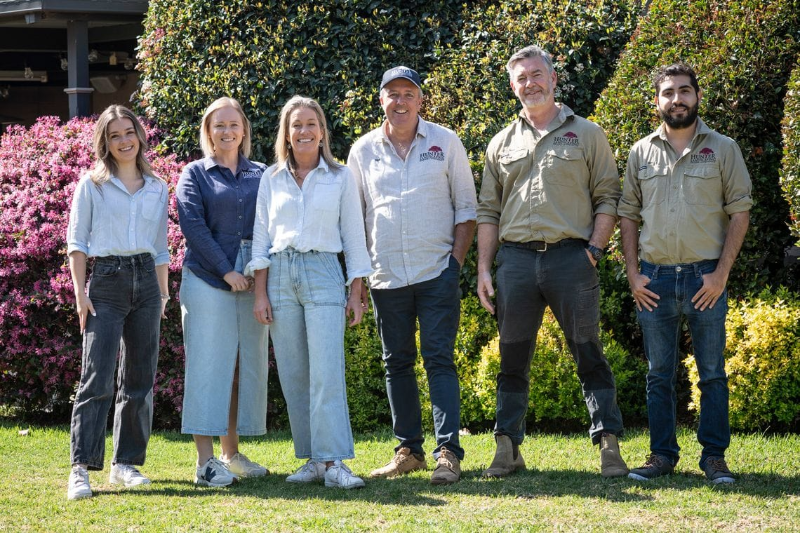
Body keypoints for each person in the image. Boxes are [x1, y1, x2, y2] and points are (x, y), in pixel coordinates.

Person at [476, 45, 629, 478]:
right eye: (521, 78)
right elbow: (488, 210)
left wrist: (594, 250)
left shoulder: (586, 134)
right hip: (516, 263)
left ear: (553, 78)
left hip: (570, 260)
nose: (530, 83)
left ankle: (609, 445)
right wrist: (485, 268)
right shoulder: (500, 143)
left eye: (537, 74)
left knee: (589, 353)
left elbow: (608, 197)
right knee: (512, 358)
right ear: (512, 86)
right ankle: (507, 448)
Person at [619, 63, 751, 484]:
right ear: (657, 101)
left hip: (704, 279)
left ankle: (714, 458)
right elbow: (627, 216)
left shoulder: (723, 148)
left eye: (684, 91)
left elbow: (740, 210)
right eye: (668, 93)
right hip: (654, 281)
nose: (676, 99)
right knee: (659, 374)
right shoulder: (641, 152)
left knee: (711, 373)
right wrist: (633, 275)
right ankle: (661, 456)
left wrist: (720, 275)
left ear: (697, 96)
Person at [347, 66, 477, 485]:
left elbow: (467, 209)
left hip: (436, 272)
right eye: (392, 94)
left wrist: (454, 264)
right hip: (386, 277)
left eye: (408, 93)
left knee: (439, 359)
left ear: (420, 99)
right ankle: (408, 451)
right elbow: (354, 218)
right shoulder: (363, 151)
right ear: (380, 100)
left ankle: (447, 454)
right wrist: (359, 280)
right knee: (396, 363)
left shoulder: (445, 142)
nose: (400, 101)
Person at [246, 95, 372, 490]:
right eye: (296, 124)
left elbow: (354, 235)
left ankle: (335, 462)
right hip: (280, 274)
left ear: (322, 133)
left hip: (322, 272)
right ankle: (314, 461)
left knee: (326, 371)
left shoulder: (340, 176)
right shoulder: (271, 178)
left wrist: (356, 290)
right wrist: (260, 293)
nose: (303, 131)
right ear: (286, 133)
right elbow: (261, 239)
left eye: (311, 124)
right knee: (295, 373)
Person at [66, 105, 169, 500]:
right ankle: (81, 468)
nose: (124, 141)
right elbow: (77, 242)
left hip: (146, 282)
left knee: (140, 379)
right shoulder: (91, 184)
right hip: (105, 282)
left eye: (129, 132)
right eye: (115, 135)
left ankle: (125, 464)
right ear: (104, 142)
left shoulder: (157, 186)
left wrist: (161, 295)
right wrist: (79, 292)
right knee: (97, 375)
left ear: (140, 136)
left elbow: (160, 247)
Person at [176, 97, 270, 487]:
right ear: (208, 131)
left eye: (234, 124)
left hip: (252, 281)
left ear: (244, 129)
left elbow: (271, 223)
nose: (227, 131)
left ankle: (231, 453)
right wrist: (227, 270)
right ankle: (204, 463)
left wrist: (255, 274)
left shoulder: (262, 173)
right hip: (208, 278)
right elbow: (193, 228)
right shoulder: (194, 174)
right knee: (207, 367)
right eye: (219, 125)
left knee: (239, 368)